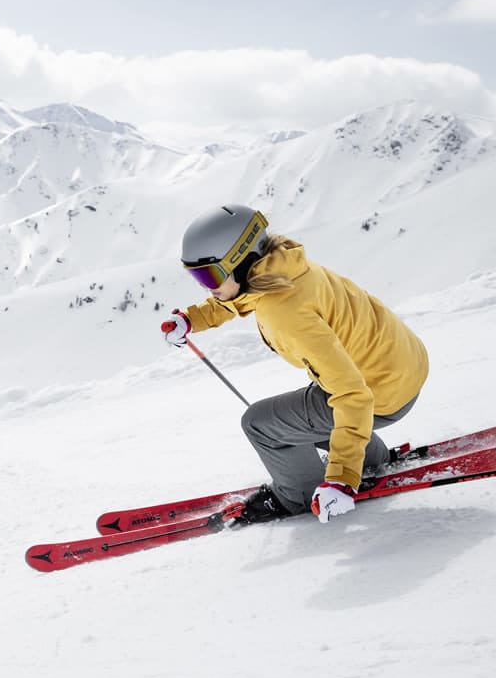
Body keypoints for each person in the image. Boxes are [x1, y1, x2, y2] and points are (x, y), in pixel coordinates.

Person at [158, 204, 428, 524]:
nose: (205, 285)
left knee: (261, 424)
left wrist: (342, 480)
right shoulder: (282, 268)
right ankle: (372, 459)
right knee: (302, 415)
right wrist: (193, 319)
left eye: (208, 274)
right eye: (195, 275)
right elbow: (242, 295)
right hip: (400, 367)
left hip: (379, 394)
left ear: (242, 261)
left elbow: (352, 395)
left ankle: (296, 495)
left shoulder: (285, 312)